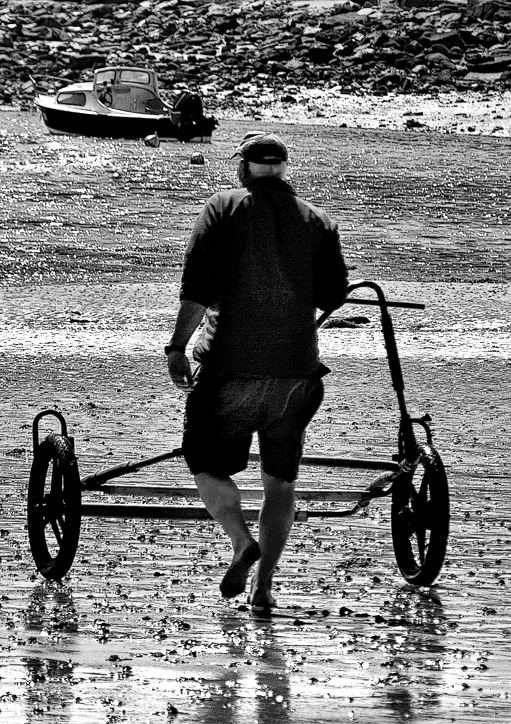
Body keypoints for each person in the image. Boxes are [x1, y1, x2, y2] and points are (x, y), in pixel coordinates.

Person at [165, 131, 349, 610]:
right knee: (280, 482)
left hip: (229, 370)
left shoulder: (223, 207)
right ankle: (263, 588)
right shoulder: (318, 219)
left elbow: (197, 286)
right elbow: (334, 294)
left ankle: (240, 540)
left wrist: (177, 346)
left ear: (244, 167)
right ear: (284, 168)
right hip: (298, 375)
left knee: (204, 462)